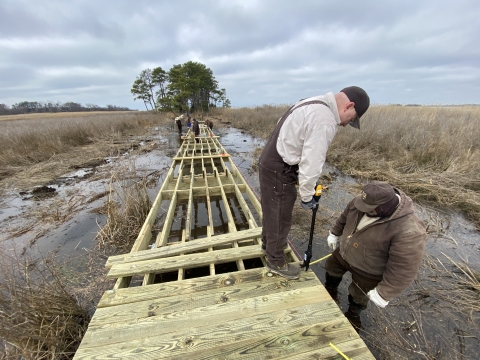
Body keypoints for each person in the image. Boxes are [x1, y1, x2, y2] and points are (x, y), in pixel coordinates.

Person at [259, 86, 370, 280]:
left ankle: (268, 244)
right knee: (280, 214)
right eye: (351, 119)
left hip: (270, 160)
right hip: (280, 167)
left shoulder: (312, 102)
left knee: (271, 208)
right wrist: (308, 195)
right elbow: (312, 161)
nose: (346, 125)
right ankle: (276, 260)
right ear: (349, 106)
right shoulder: (324, 119)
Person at [324, 181, 427, 327]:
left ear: (386, 205)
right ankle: (330, 290)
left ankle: (353, 314)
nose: (363, 209)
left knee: (358, 295)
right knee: (331, 268)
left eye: (369, 208)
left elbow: (404, 268)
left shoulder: (410, 230)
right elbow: (344, 217)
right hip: (344, 253)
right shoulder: (361, 201)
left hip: (368, 270)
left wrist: (385, 292)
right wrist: (334, 233)